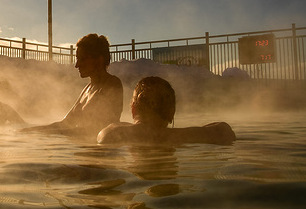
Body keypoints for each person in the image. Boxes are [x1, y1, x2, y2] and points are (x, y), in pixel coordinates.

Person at [21, 33, 124, 138]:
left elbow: (97, 128)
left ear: (99, 60)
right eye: (77, 59)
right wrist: (31, 131)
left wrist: (53, 133)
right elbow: (66, 123)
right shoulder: (87, 89)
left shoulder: (112, 84)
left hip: (101, 150)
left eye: (82, 59)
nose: (77, 65)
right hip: (84, 149)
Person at [97, 76, 236, 145]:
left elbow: (103, 136)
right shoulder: (183, 136)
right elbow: (224, 130)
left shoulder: (114, 132)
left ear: (133, 109)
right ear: (172, 112)